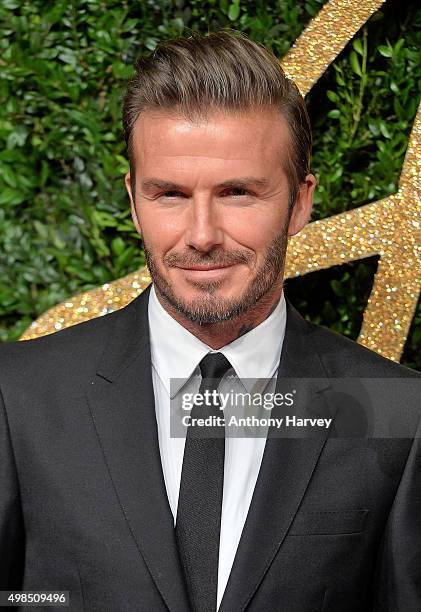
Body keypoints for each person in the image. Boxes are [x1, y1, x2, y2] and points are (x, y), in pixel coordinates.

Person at [0, 30, 420, 612]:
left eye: (238, 193)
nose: (201, 236)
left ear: (300, 202)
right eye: (169, 194)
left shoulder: (396, 412)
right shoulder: (19, 395)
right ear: (132, 201)